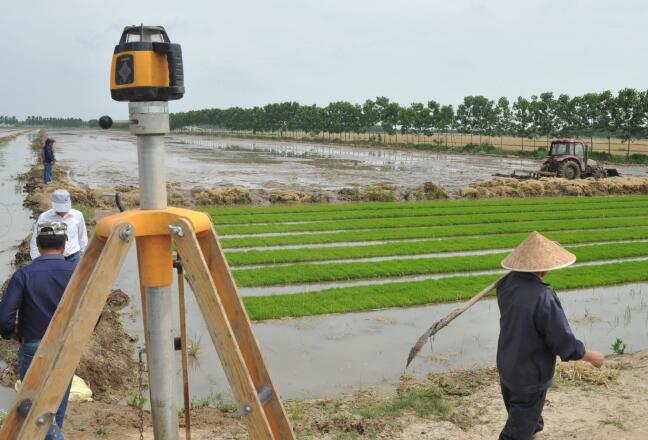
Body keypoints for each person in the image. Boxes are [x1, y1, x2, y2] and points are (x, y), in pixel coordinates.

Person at [496, 231, 604, 440]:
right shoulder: (543, 297)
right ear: (544, 268)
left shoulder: (506, 286)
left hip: (508, 366)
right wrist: (591, 356)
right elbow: (562, 342)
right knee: (516, 432)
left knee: (525, 419)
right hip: (530, 375)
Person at [0, 221, 75, 440]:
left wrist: (11, 332)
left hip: (33, 346)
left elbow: (4, 316)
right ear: (64, 245)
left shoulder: (24, 275)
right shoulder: (76, 272)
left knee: (33, 409)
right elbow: (94, 309)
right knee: (56, 405)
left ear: (39, 246)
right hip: (66, 346)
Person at [30, 189, 88, 264]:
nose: (61, 211)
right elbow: (35, 241)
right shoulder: (44, 217)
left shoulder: (77, 216)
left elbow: (82, 237)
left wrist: (85, 256)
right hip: (52, 260)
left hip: (74, 258)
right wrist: (36, 260)